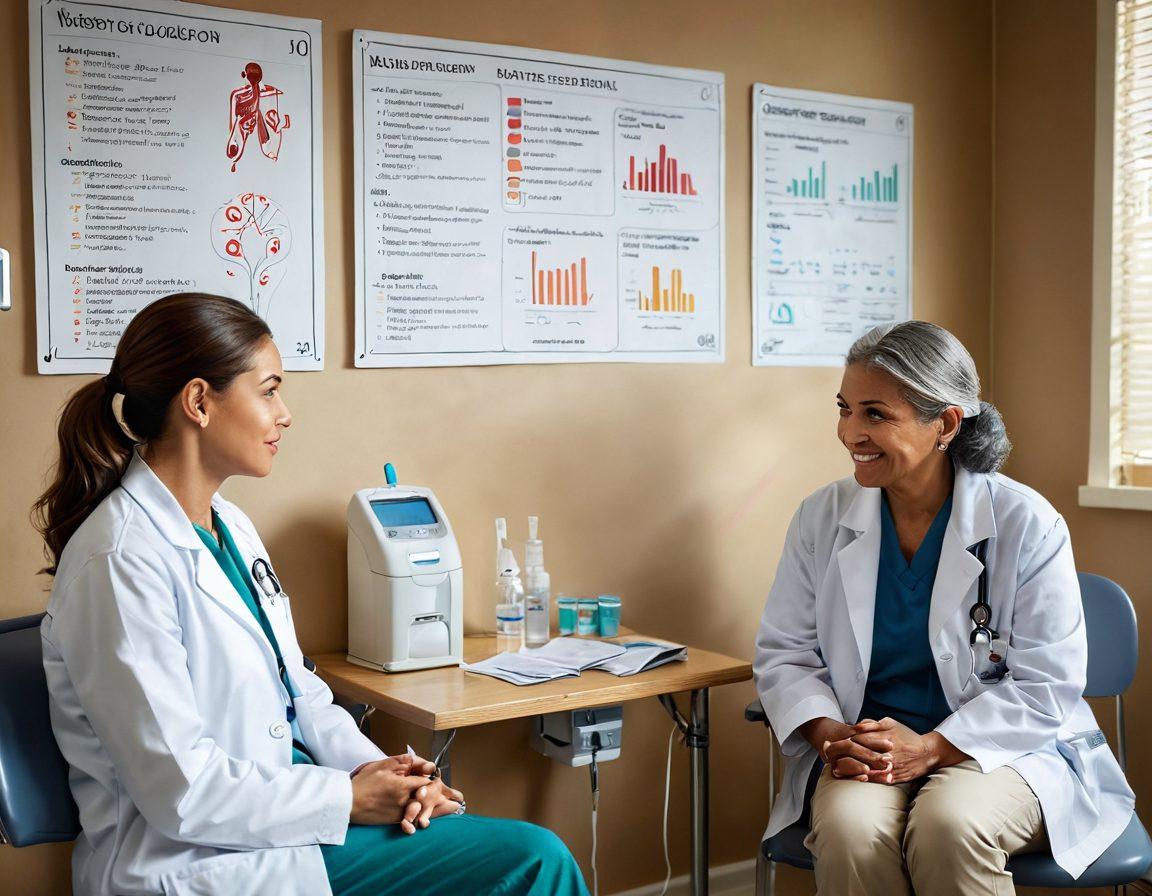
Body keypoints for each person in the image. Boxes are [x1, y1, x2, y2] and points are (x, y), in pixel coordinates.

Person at [35, 293, 589, 896]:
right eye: (269, 390)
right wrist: (348, 797)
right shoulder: (119, 561)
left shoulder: (231, 528)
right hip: (201, 859)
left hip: (293, 820)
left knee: (498, 846)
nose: (285, 413)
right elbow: (183, 791)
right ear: (199, 401)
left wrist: (376, 771)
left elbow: (301, 696)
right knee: (534, 859)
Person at [753, 321, 1135, 895]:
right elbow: (786, 653)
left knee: (949, 825)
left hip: (999, 750)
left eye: (875, 414)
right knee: (852, 831)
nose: (847, 431)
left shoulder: (1025, 524)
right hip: (868, 746)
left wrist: (931, 748)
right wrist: (833, 736)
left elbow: (1047, 685)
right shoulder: (821, 518)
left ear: (947, 424)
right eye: (844, 408)